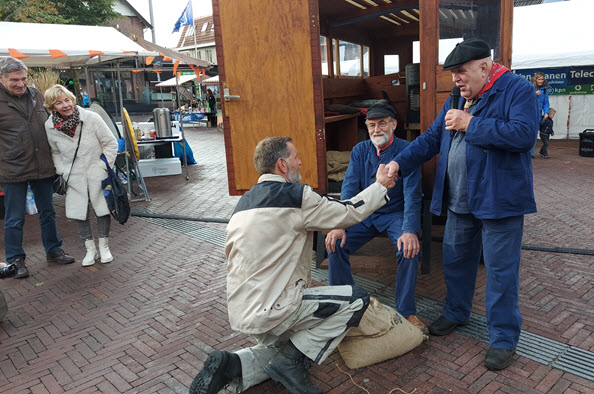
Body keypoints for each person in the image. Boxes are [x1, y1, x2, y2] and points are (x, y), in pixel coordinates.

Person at [190, 137, 397, 394]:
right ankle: (291, 364)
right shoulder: (295, 196)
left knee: (283, 347)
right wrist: (380, 186)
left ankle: (233, 364)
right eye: (295, 156)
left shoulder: (242, 204)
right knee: (355, 299)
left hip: (242, 311)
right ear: (282, 164)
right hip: (276, 308)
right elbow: (348, 211)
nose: (299, 161)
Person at [385, 38, 539, 371]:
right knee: (455, 260)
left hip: (500, 202)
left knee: (500, 272)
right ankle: (456, 312)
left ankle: (502, 338)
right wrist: (399, 164)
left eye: (461, 72)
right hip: (459, 202)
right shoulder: (458, 97)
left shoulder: (516, 90)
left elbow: (525, 135)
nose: (456, 80)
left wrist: (472, 124)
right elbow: (430, 139)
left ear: (484, 67)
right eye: (453, 74)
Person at [325, 102, 426, 333]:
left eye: (382, 123)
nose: (376, 129)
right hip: (364, 214)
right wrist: (340, 224)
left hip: (394, 214)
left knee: (408, 249)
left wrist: (410, 230)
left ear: (394, 125)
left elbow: (413, 195)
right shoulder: (360, 150)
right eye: (371, 125)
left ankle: (407, 312)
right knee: (334, 242)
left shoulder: (407, 149)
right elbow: (349, 188)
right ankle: (344, 304)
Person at [0, 57, 75, 278]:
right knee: (14, 218)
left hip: (42, 164)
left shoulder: (36, 94)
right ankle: (16, 260)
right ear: (2, 78)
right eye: (15, 80)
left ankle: (53, 249)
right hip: (13, 167)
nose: (21, 84)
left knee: (48, 212)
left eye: (23, 79)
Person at [43, 85, 118, 267]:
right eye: (58, 103)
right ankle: (90, 250)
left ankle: (104, 247)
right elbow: (55, 152)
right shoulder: (50, 126)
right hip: (73, 175)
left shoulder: (91, 118)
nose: (65, 105)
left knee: (102, 209)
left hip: (96, 171)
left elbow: (110, 143)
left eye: (67, 100)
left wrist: (103, 166)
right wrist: (63, 171)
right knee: (79, 213)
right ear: (52, 107)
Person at [531, 72, 549, 159]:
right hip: (529, 114)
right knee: (529, 133)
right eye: (539, 79)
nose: (541, 81)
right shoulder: (530, 87)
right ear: (535, 79)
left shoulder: (544, 89)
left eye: (542, 79)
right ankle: (527, 152)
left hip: (538, 114)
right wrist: (534, 94)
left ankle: (531, 153)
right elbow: (523, 98)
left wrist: (546, 112)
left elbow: (546, 102)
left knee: (535, 134)